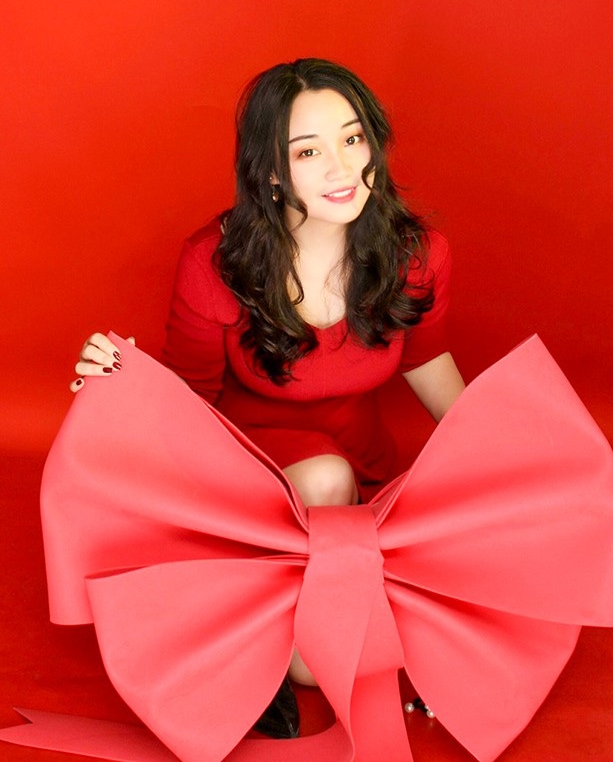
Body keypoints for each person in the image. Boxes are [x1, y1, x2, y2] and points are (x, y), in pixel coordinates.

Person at [69, 57, 466, 738]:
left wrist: (504, 456)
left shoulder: (417, 253)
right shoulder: (214, 261)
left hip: (364, 472)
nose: (342, 167)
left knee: (420, 592)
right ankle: (252, 617)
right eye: (308, 152)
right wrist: (118, 384)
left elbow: (427, 361)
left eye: (353, 138)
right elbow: (188, 399)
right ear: (273, 171)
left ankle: (270, 629)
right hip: (247, 477)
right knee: (321, 624)